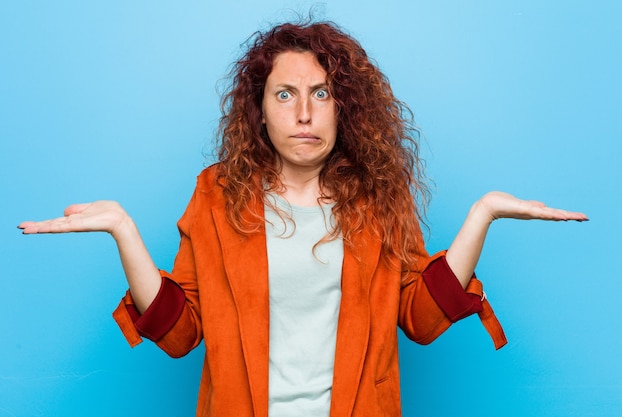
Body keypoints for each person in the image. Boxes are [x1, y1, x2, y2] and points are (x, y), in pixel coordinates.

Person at [18, 20, 587, 417]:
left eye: (321, 93)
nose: (305, 113)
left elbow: (418, 318)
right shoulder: (216, 195)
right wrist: (123, 229)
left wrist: (481, 215)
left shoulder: (377, 197)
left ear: (345, 107)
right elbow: (182, 333)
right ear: (259, 112)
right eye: (285, 95)